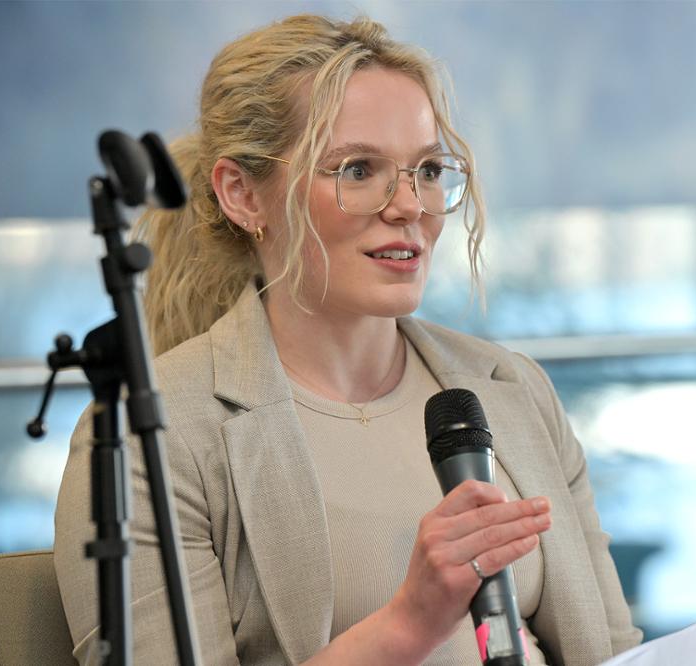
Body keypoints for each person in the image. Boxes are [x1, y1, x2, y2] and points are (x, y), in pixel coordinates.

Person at [54, 14, 642, 666]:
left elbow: (615, 651)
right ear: (242, 195)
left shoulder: (513, 389)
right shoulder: (155, 435)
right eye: (358, 169)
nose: (410, 205)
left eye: (425, 170)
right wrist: (408, 623)